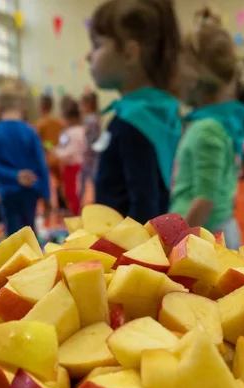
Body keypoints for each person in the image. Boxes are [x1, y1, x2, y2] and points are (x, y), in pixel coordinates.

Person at [88, 0, 183, 223]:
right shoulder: (160, 113)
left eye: (97, 45)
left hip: (124, 249)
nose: (88, 56)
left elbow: (144, 206)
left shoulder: (134, 122)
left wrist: (132, 257)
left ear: (130, 53)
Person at [169, 9, 244, 249]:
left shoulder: (207, 129)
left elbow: (205, 200)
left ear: (193, 77)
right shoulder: (210, 124)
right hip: (207, 235)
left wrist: (173, 244)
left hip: (206, 240)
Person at [0, 89, 50, 235]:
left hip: (7, 190)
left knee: (12, 234)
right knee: (30, 232)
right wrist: (47, 195)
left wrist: (14, 175)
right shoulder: (30, 132)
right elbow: (42, 165)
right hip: (30, 188)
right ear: (21, 107)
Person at [55, 99, 87, 216]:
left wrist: (56, 152)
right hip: (80, 164)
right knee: (77, 192)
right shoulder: (83, 130)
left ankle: (74, 213)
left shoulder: (68, 132)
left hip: (72, 165)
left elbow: (67, 150)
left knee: (71, 192)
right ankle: (75, 212)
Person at [36, 94, 65, 211]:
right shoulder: (60, 122)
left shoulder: (40, 124)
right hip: (58, 155)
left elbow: (40, 142)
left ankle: (47, 204)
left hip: (45, 157)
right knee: (60, 181)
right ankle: (62, 204)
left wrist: (48, 146)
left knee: (44, 181)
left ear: (40, 107)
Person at [80, 91, 102, 204]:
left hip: (91, 153)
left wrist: (88, 152)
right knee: (89, 178)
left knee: (89, 179)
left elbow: (90, 139)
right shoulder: (95, 117)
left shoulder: (91, 119)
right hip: (92, 153)